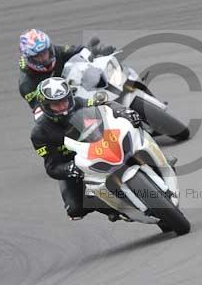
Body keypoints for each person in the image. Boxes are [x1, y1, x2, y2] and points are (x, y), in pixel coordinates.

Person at [29, 77, 143, 221]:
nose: (62, 106)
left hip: (103, 143)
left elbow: (105, 103)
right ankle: (114, 210)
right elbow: (52, 166)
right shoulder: (40, 133)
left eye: (64, 101)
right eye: (56, 105)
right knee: (75, 209)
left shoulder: (81, 102)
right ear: (46, 107)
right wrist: (69, 169)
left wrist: (122, 111)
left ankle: (157, 161)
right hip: (78, 164)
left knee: (134, 128)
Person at [18, 29, 116, 112]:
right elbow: (41, 111)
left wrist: (95, 52)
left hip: (77, 91)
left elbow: (79, 51)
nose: (44, 58)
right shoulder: (26, 84)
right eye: (38, 56)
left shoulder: (57, 51)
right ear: (29, 58)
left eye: (45, 52)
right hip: (61, 109)